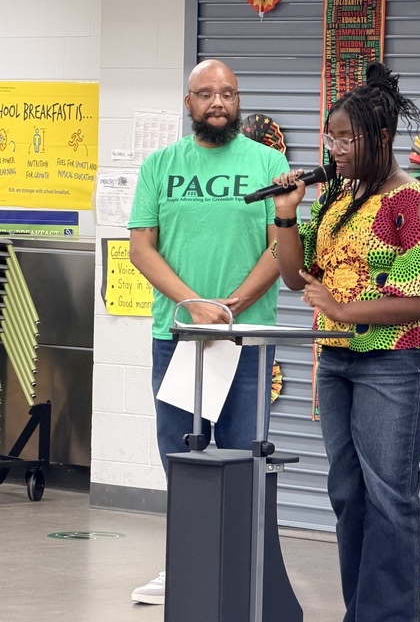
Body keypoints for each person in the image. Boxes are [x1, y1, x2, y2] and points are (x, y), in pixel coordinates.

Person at [271, 62, 420, 622]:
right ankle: (363, 612)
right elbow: (291, 275)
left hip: (398, 362)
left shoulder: (413, 202)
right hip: (337, 360)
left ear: (380, 138)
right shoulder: (336, 197)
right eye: (329, 137)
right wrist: (286, 215)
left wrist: (344, 309)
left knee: (389, 497)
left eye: (346, 138)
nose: (335, 149)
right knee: (348, 493)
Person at [126, 59, 289, 604]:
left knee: (244, 456)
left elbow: (280, 244)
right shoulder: (159, 165)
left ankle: (245, 572)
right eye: (206, 94)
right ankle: (186, 563)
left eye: (228, 93)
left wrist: (235, 305)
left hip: (246, 339)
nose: (218, 102)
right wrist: (192, 305)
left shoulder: (269, 162)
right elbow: (141, 247)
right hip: (176, 335)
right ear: (188, 102)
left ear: (238, 101)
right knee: (182, 453)